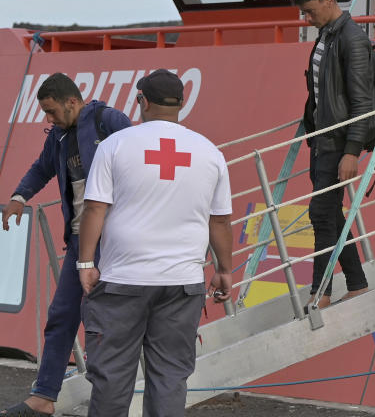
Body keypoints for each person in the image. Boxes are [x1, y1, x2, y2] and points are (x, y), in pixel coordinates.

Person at [75, 69, 232, 417]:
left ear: (142, 100)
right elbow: (219, 221)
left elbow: (95, 208)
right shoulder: (209, 152)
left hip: (123, 282)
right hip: (182, 284)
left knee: (112, 377)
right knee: (170, 377)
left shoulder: (115, 145)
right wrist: (224, 270)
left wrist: (86, 263)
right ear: (182, 103)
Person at [1, 73, 130, 417]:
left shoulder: (108, 121)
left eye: (52, 111)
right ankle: (44, 396)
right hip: (79, 242)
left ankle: (109, 400)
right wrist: (18, 196)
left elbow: (141, 162)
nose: (49, 119)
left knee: (102, 321)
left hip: (115, 241)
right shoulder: (57, 136)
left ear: (72, 102)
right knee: (62, 316)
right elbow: (41, 169)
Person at [292, 0, 371, 308]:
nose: (307, 19)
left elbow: (362, 101)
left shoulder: (351, 38)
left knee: (321, 213)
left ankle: (320, 292)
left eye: (310, 11)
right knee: (331, 213)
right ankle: (357, 283)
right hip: (321, 140)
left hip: (338, 142)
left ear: (329, 0)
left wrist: (352, 151)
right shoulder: (327, 33)